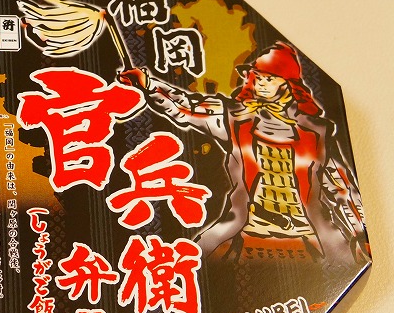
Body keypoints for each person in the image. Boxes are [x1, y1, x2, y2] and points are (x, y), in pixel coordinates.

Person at [118, 42, 366, 265]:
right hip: (246, 227)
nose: (261, 83)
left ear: (287, 84)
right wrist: (149, 84)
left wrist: (359, 234)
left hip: (311, 234)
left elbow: (342, 188)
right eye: (258, 76)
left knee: (344, 264)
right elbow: (186, 106)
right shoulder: (236, 118)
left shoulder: (317, 132)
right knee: (193, 262)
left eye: (270, 78)